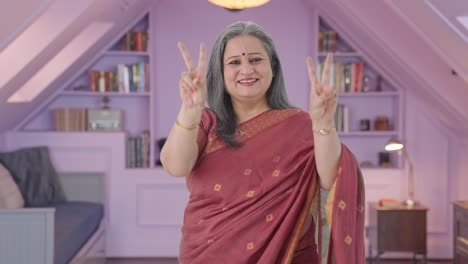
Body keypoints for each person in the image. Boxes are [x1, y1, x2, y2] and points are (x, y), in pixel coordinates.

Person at [160, 21, 365, 264]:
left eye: (255, 60)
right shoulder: (205, 121)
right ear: (220, 72)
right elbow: (175, 166)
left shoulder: (301, 124)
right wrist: (189, 110)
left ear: (273, 68)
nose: (246, 70)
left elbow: (333, 178)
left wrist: (322, 123)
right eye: (234, 62)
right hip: (208, 252)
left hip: (289, 253)